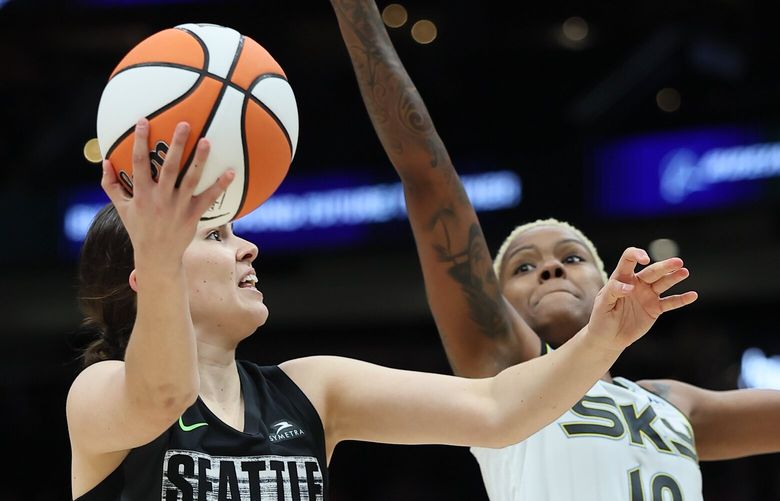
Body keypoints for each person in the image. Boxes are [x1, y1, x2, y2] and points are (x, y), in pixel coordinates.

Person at [66, 117, 694, 500]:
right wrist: (159, 252)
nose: (247, 248)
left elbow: (497, 409)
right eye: (215, 236)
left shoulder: (311, 389)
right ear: (145, 272)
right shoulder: (97, 392)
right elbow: (162, 396)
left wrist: (604, 338)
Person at [330, 0, 780, 499]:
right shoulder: (503, 369)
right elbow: (430, 181)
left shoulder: (675, 402)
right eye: (523, 267)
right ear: (497, 304)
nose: (549, 269)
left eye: (571, 258)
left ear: (607, 284)